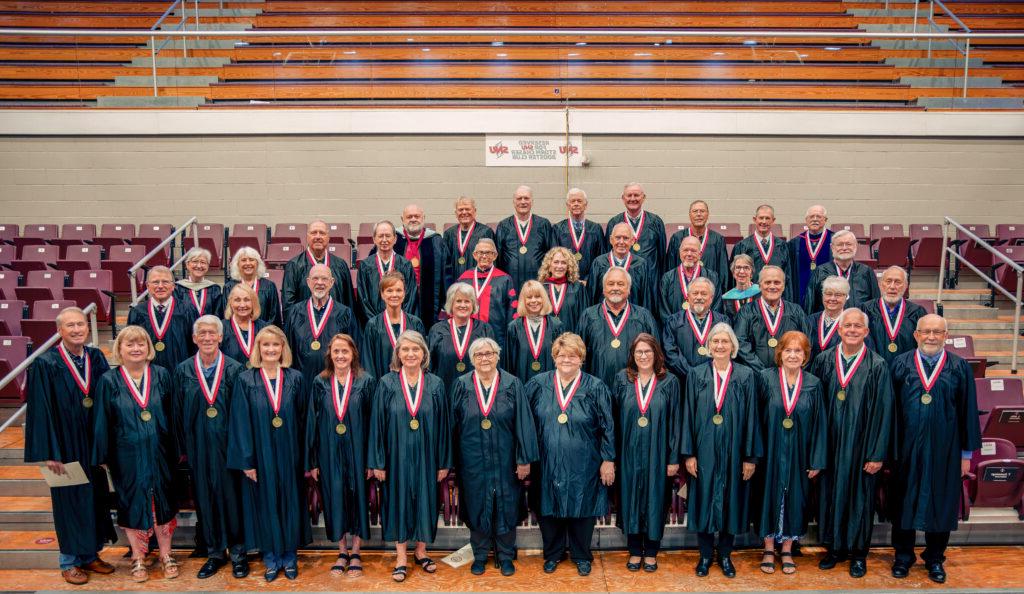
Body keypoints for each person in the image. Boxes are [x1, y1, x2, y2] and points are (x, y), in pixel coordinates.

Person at [24, 307, 115, 585]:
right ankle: (69, 560)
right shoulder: (46, 363)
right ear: (59, 331)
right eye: (70, 325)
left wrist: (106, 444)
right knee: (68, 502)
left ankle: (89, 554)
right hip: (63, 444)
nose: (77, 329)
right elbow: (40, 410)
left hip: (91, 442)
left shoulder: (96, 357)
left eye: (81, 324)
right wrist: (48, 452)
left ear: (88, 328)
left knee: (94, 498)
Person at [888, 314, 981, 584]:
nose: (931, 336)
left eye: (937, 332)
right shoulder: (901, 363)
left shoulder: (959, 367)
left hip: (946, 450)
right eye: (926, 331)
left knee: (941, 503)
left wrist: (966, 455)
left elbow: (968, 412)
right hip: (906, 448)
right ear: (916, 334)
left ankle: (935, 559)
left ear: (945, 336)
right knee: (903, 502)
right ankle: (903, 557)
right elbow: (891, 411)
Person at [809, 308, 893, 578]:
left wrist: (877, 454)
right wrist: (816, 451)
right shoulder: (823, 360)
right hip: (830, 445)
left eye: (858, 326)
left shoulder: (877, 365)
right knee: (830, 495)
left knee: (860, 499)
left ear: (866, 332)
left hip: (861, 447)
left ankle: (858, 554)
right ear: (839, 329)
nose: (853, 330)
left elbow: (884, 411)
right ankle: (833, 549)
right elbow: (812, 406)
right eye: (848, 326)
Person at [92, 326, 179, 582]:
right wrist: (102, 455)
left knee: (163, 501)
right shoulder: (109, 380)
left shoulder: (162, 375)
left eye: (141, 344)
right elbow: (101, 420)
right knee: (131, 502)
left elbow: (173, 415)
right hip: (125, 455)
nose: (136, 348)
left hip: (160, 452)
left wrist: (178, 449)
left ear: (148, 348)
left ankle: (166, 554)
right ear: (119, 349)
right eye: (129, 345)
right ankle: (138, 557)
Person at [525, 333, 614, 576]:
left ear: (581, 358)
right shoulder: (537, 385)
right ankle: (552, 554)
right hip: (546, 459)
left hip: (585, 461)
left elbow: (608, 426)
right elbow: (525, 424)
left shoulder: (595, 387)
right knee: (548, 506)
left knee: (582, 507)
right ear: (554, 357)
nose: (567, 360)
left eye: (573, 355)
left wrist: (608, 459)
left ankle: (581, 555)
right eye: (562, 355)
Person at [227, 325, 311, 582]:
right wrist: (247, 461)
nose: (271, 349)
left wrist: (305, 458)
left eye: (276, 345)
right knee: (265, 506)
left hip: (290, 452)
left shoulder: (295, 378)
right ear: (258, 349)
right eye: (266, 345)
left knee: (290, 503)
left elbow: (304, 420)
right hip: (261, 454)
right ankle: (271, 558)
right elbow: (240, 421)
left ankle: (290, 556)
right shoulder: (246, 379)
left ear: (283, 348)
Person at [367, 331, 452, 583]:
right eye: (405, 350)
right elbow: (377, 425)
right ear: (398, 354)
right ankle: (401, 556)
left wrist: (444, 461)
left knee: (426, 500)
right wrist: (378, 462)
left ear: (424, 353)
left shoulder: (435, 384)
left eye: (416, 349)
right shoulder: (386, 383)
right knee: (398, 501)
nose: (411, 354)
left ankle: (422, 551)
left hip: (427, 455)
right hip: (396, 456)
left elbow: (445, 426)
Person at [451, 337, 539, 576]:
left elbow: (523, 423)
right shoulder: (461, 385)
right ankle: (480, 555)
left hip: (505, 458)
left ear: (497, 356)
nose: (485, 358)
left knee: (506, 505)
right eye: (479, 355)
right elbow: (453, 426)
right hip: (472, 459)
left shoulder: (512, 384)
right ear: (472, 359)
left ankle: (505, 555)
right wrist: (452, 462)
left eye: (489, 353)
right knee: (477, 504)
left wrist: (524, 459)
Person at [682, 322, 762, 579]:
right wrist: (689, 453)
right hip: (704, 450)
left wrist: (750, 457)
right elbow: (688, 415)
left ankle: (725, 555)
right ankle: (705, 555)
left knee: (731, 501)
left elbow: (752, 416)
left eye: (724, 342)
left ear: (733, 347)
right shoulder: (696, 375)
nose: (719, 346)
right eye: (715, 341)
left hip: (734, 450)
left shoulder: (745, 376)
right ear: (708, 346)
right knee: (704, 499)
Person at [171, 315, 247, 579]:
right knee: (206, 500)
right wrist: (183, 449)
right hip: (198, 447)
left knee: (232, 500)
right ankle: (215, 553)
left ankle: (238, 553)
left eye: (211, 333)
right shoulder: (183, 371)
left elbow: (241, 414)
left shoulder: (235, 369)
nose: (206, 337)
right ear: (194, 338)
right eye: (201, 333)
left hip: (229, 447)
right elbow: (178, 414)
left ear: (220, 337)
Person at [753, 331, 827, 575]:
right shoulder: (765, 378)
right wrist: (754, 455)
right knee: (767, 497)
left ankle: (786, 548)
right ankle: (767, 547)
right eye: (788, 350)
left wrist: (817, 459)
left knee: (795, 498)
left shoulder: (814, 384)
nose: (793, 355)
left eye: (798, 351)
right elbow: (755, 419)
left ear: (805, 356)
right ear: (780, 353)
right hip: (770, 451)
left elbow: (820, 424)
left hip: (799, 453)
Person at [306, 334, 375, 578]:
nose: (340, 356)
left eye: (345, 351)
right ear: (330, 354)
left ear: (353, 353)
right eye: (336, 351)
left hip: (358, 449)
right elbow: (311, 423)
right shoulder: (320, 382)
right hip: (328, 450)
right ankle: (342, 550)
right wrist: (312, 460)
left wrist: (371, 459)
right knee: (334, 498)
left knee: (357, 497)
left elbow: (373, 423)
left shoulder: (366, 381)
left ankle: (356, 550)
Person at [612, 334, 681, 573]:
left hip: (658, 452)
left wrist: (673, 459)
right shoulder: (622, 379)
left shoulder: (669, 382)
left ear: (656, 354)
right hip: (628, 451)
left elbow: (675, 422)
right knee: (630, 499)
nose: (643, 356)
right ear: (632, 354)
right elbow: (614, 420)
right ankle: (633, 550)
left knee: (655, 499)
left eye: (648, 352)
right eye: (639, 352)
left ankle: (651, 552)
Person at [577, 267, 658, 388]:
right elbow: (579, 354)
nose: (615, 288)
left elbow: (655, 353)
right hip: (597, 387)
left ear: (629, 289)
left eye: (621, 284)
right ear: (604, 289)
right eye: (610, 284)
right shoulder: (589, 316)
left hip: (634, 389)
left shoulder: (643, 316)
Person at [284, 263, 358, 388]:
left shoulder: (344, 313)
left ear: (332, 282)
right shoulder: (295, 312)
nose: (319, 283)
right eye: (315, 278)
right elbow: (287, 349)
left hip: (335, 383)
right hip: (302, 382)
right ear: (308, 282)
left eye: (324, 279)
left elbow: (354, 350)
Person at [734, 266, 809, 371]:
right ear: (759, 286)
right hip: (756, 376)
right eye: (767, 282)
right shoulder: (746, 312)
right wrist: (763, 372)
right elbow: (740, 343)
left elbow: (806, 342)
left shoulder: (796, 312)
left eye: (777, 282)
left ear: (783, 286)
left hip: (789, 375)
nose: (772, 286)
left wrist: (789, 369)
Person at [127, 265, 197, 372]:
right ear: (148, 286)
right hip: (148, 373)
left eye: (165, 282)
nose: (160, 286)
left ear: (173, 286)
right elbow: (131, 344)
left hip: (180, 371)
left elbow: (194, 344)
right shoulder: (137, 312)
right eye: (155, 282)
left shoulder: (187, 310)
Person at [426, 282, 495, 392]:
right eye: (458, 301)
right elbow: (429, 365)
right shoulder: (437, 330)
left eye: (467, 301)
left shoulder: (484, 329)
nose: (463, 305)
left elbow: (493, 364)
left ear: (473, 304)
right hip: (444, 391)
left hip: (475, 393)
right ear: (451, 304)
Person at [359, 271, 426, 379]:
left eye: (399, 290)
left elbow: (423, 359)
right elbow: (368, 364)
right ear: (382, 294)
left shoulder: (415, 324)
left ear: (404, 293)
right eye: (389, 290)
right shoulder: (373, 325)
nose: (394, 295)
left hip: (412, 388)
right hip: (383, 388)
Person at [281, 219, 355, 313]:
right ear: (307, 237)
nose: (318, 236)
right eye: (313, 233)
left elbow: (349, 302)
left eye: (322, 233)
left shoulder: (340, 265)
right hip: (305, 325)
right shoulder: (294, 265)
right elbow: (288, 304)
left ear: (328, 238)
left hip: (336, 324)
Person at [396, 204, 450, 328]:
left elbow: (446, 273)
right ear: (402, 219)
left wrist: (445, 300)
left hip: (428, 298)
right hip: (401, 296)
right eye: (409, 216)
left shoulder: (436, 240)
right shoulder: (394, 239)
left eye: (417, 216)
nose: (413, 219)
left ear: (423, 218)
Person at [456, 238, 516, 346]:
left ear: (495, 255)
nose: (484, 256)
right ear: (474, 255)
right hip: (468, 335)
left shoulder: (505, 279)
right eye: (480, 252)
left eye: (488, 253)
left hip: (496, 335)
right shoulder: (464, 279)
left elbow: (511, 312)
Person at [862, 266, 928, 364]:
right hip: (874, 369)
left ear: (906, 286)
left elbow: (923, 344)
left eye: (898, 282)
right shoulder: (866, 309)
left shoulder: (917, 312)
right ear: (880, 284)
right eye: (888, 281)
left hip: (907, 370)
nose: (892, 286)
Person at [502, 280, 564, 383]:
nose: (534, 301)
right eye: (529, 297)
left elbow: (561, 360)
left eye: (538, 296)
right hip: (522, 385)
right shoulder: (514, 328)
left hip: (550, 387)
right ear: (523, 300)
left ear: (543, 298)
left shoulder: (556, 326)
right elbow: (508, 364)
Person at [730, 204, 796, 301]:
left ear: (773, 220)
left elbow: (788, 278)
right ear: (755, 219)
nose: (764, 221)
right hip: (750, 301)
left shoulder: (782, 246)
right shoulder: (742, 246)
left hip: (776, 300)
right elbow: (734, 279)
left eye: (767, 218)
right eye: (761, 218)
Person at [357, 220, 419, 323]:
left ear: (395, 239)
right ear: (374, 239)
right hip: (374, 325)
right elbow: (363, 299)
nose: (384, 240)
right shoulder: (365, 266)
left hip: (401, 323)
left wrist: (400, 320)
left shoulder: (405, 265)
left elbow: (410, 297)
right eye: (380, 236)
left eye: (388, 236)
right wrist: (376, 323)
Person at [804, 230, 879, 313]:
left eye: (848, 244)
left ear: (855, 246)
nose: (844, 248)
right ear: (832, 247)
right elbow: (810, 305)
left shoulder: (866, 272)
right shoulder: (820, 271)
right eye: (840, 245)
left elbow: (875, 305)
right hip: (828, 324)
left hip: (858, 323)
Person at [496, 185, 553, 291]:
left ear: (532, 201)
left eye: (526, 198)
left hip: (538, 282)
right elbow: (498, 258)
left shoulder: (543, 224)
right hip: (510, 283)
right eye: (519, 198)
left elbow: (551, 254)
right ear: (514, 202)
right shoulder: (503, 226)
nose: (523, 202)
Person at [588, 222, 656, 310]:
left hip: (634, 319)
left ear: (632, 241)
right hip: (604, 319)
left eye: (626, 238)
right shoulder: (599, 263)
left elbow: (647, 299)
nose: (621, 242)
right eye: (618, 238)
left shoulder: (641, 264)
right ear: (611, 239)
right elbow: (591, 297)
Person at [662, 277, 719, 380]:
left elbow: (725, 350)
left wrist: (710, 374)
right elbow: (670, 352)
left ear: (711, 298)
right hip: (683, 380)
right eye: (695, 293)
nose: (699, 297)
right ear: (688, 297)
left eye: (704, 294)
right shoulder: (673, 321)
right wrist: (691, 374)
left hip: (713, 380)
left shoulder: (722, 322)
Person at [665, 199, 729, 291]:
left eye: (702, 211)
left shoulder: (718, 240)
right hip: (681, 292)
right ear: (689, 215)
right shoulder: (677, 238)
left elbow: (723, 272)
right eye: (695, 211)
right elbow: (670, 268)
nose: (699, 214)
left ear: (708, 214)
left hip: (708, 293)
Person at [604, 182, 666, 274]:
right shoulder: (614, 223)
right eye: (629, 195)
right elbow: (608, 254)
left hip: (650, 280)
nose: (632, 199)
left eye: (636, 195)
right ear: (623, 198)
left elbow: (662, 257)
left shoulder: (656, 222)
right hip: (621, 279)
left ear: (643, 197)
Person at [658, 236, 721, 321]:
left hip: (703, 330)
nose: (689, 254)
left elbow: (716, 307)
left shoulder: (712, 277)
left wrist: (701, 326)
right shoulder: (667, 278)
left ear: (700, 254)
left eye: (693, 251)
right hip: (675, 330)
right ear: (680, 253)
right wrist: (674, 327)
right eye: (685, 250)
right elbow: (664, 311)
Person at [551, 188, 605, 278]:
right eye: (573, 201)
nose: (576, 204)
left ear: (585, 205)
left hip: (590, 283)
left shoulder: (596, 229)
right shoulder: (557, 229)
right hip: (566, 283)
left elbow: (601, 259)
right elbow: (554, 259)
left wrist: (590, 280)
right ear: (568, 205)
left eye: (579, 201)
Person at [225, 246, 282, 327]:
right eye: (243, 260)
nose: (248, 263)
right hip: (236, 334)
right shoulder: (229, 287)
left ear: (258, 263)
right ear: (237, 264)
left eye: (251, 260)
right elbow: (227, 314)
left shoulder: (269, 286)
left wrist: (264, 332)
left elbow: (274, 316)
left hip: (264, 335)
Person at [443, 196, 495, 280]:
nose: (464, 212)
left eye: (467, 209)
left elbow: (491, 262)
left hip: (478, 282)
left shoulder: (485, 232)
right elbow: (445, 263)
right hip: (454, 284)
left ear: (474, 211)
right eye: (460, 210)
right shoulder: (449, 234)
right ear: (456, 213)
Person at [789, 205, 833, 303]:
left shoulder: (834, 240)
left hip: (827, 290)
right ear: (806, 220)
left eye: (819, 216)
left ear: (825, 219)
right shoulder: (795, 242)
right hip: (801, 291)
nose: (815, 219)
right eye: (811, 216)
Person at [538, 246, 587, 331]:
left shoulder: (578, 288)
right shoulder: (540, 288)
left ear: (569, 266)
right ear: (549, 265)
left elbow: (584, 319)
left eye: (564, 263)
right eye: (556, 262)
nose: (559, 266)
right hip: (546, 338)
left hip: (571, 339)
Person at [221, 283, 267, 366]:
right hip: (230, 377)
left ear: (253, 303)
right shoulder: (221, 328)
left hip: (257, 377)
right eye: (237, 300)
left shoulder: (264, 328)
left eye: (247, 300)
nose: (242, 305)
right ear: (230, 303)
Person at [175, 247, 224, 318]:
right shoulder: (178, 288)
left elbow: (218, 315)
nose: (199, 266)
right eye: (195, 261)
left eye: (203, 262)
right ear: (187, 265)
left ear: (207, 266)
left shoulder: (214, 289)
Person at [809, 276, 849, 361]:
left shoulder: (851, 323)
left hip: (838, 372)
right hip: (811, 371)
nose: (832, 298)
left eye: (838, 295)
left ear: (846, 297)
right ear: (822, 296)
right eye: (828, 294)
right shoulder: (810, 320)